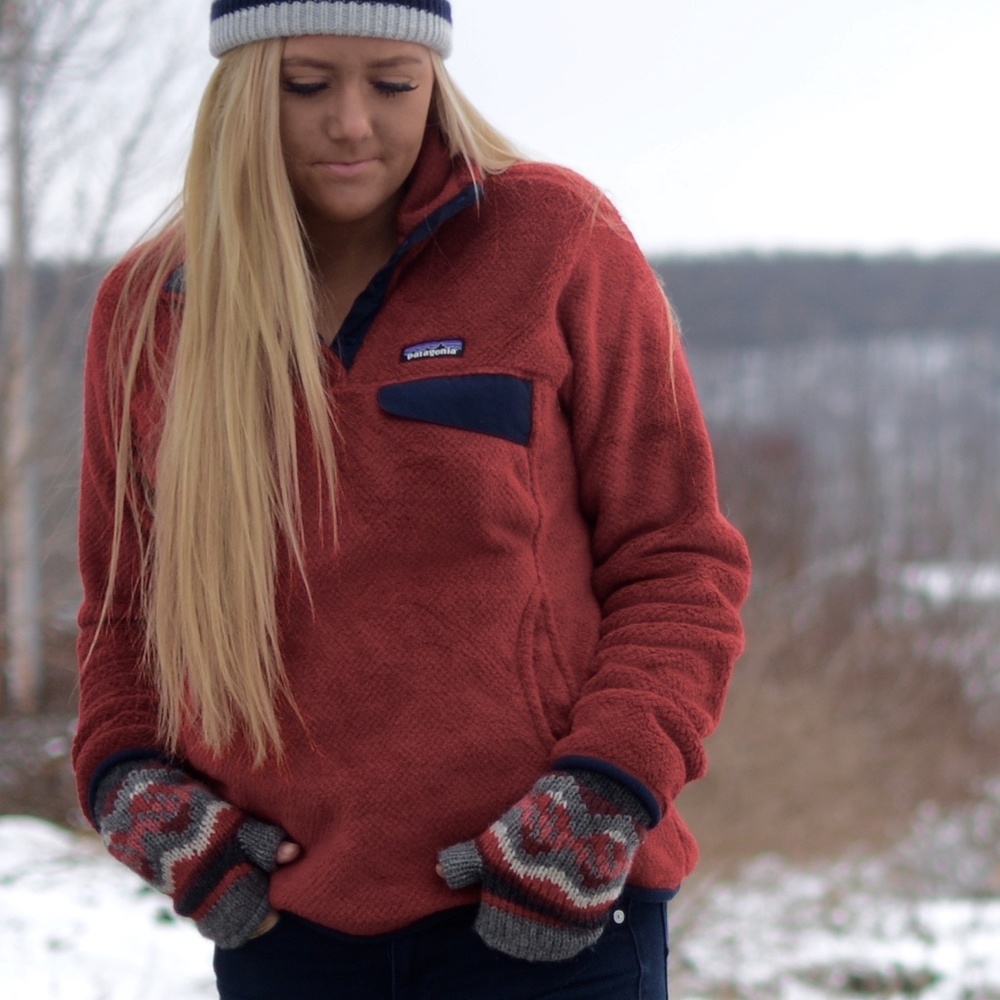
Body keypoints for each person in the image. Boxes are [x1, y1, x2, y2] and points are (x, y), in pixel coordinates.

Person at [71, 2, 751, 998]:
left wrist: (601, 793)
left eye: (393, 82)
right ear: (239, 90)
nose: (352, 121)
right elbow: (121, 616)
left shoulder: (556, 240)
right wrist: (139, 790)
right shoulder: (149, 308)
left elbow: (677, 560)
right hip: (285, 929)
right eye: (307, 85)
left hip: (551, 918)